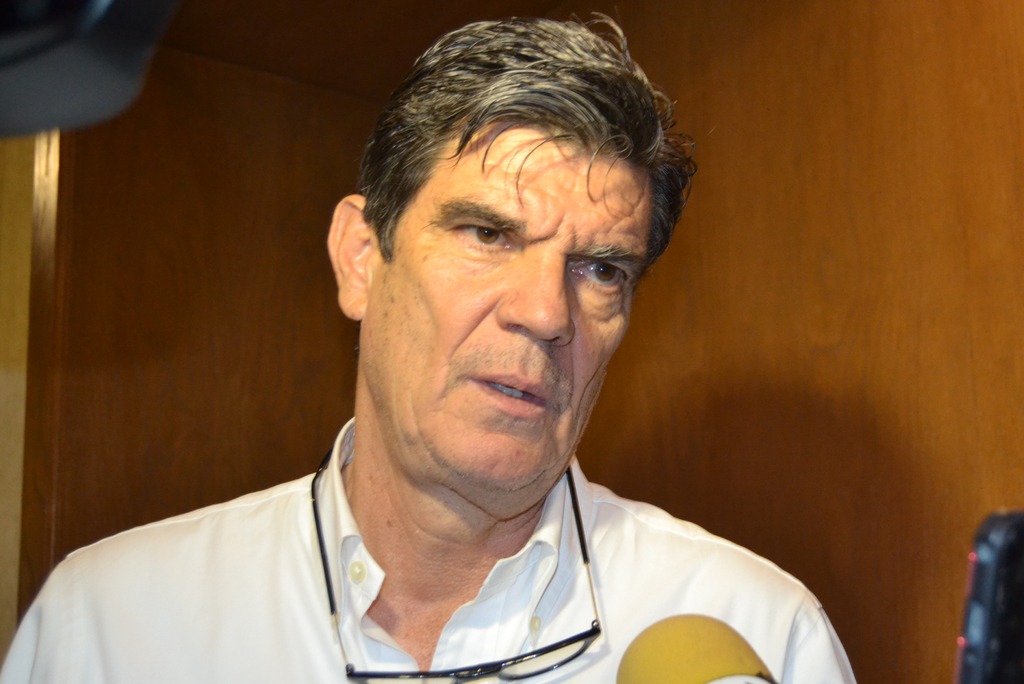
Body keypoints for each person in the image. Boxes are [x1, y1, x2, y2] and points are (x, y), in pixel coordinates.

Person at [1, 17, 856, 684]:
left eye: (601, 269)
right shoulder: (110, 624)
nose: (545, 314)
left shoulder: (762, 634)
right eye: (488, 233)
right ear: (360, 258)